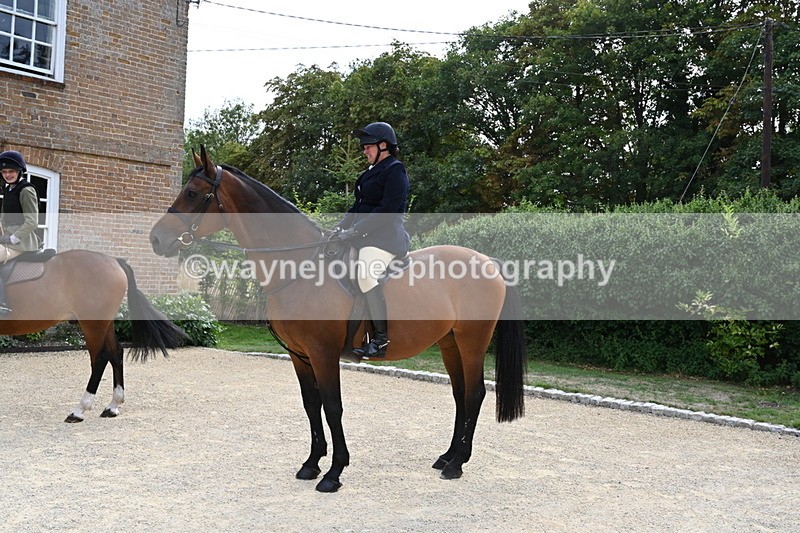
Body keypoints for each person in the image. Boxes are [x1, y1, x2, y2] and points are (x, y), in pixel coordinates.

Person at [334, 122, 410, 358]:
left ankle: (380, 340)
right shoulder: (368, 173)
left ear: (383, 145)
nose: (364, 151)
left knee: (365, 273)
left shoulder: (395, 170)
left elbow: (388, 210)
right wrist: (338, 229)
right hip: (363, 237)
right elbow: (357, 207)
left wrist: (355, 231)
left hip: (384, 240)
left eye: (368, 147)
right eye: (364, 147)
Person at [0, 150, 41, 314]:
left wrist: (12, 238)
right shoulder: (9, 189)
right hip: (6, 238)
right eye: (4, 172)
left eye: (11, 171)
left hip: (22, 241)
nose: (7, 175)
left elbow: (32, 221)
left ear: (19, 171)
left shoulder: (26, 190)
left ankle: (2, 304)